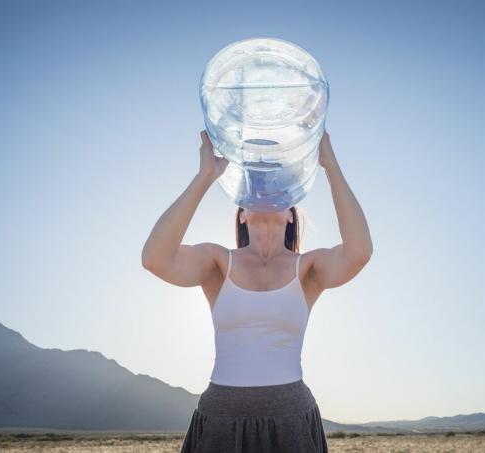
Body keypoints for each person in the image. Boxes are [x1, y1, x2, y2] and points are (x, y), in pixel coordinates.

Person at [141, 129, 373, 452]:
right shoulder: (218, 264)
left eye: (276, 184)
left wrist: (330, 165)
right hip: (221, 419)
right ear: (242, 211)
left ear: (292, 212)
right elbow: (154, 258)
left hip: (291, 418)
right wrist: (205, 176)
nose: (265, 190)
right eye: (255, 185)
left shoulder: (308, 269)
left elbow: (359, 252)